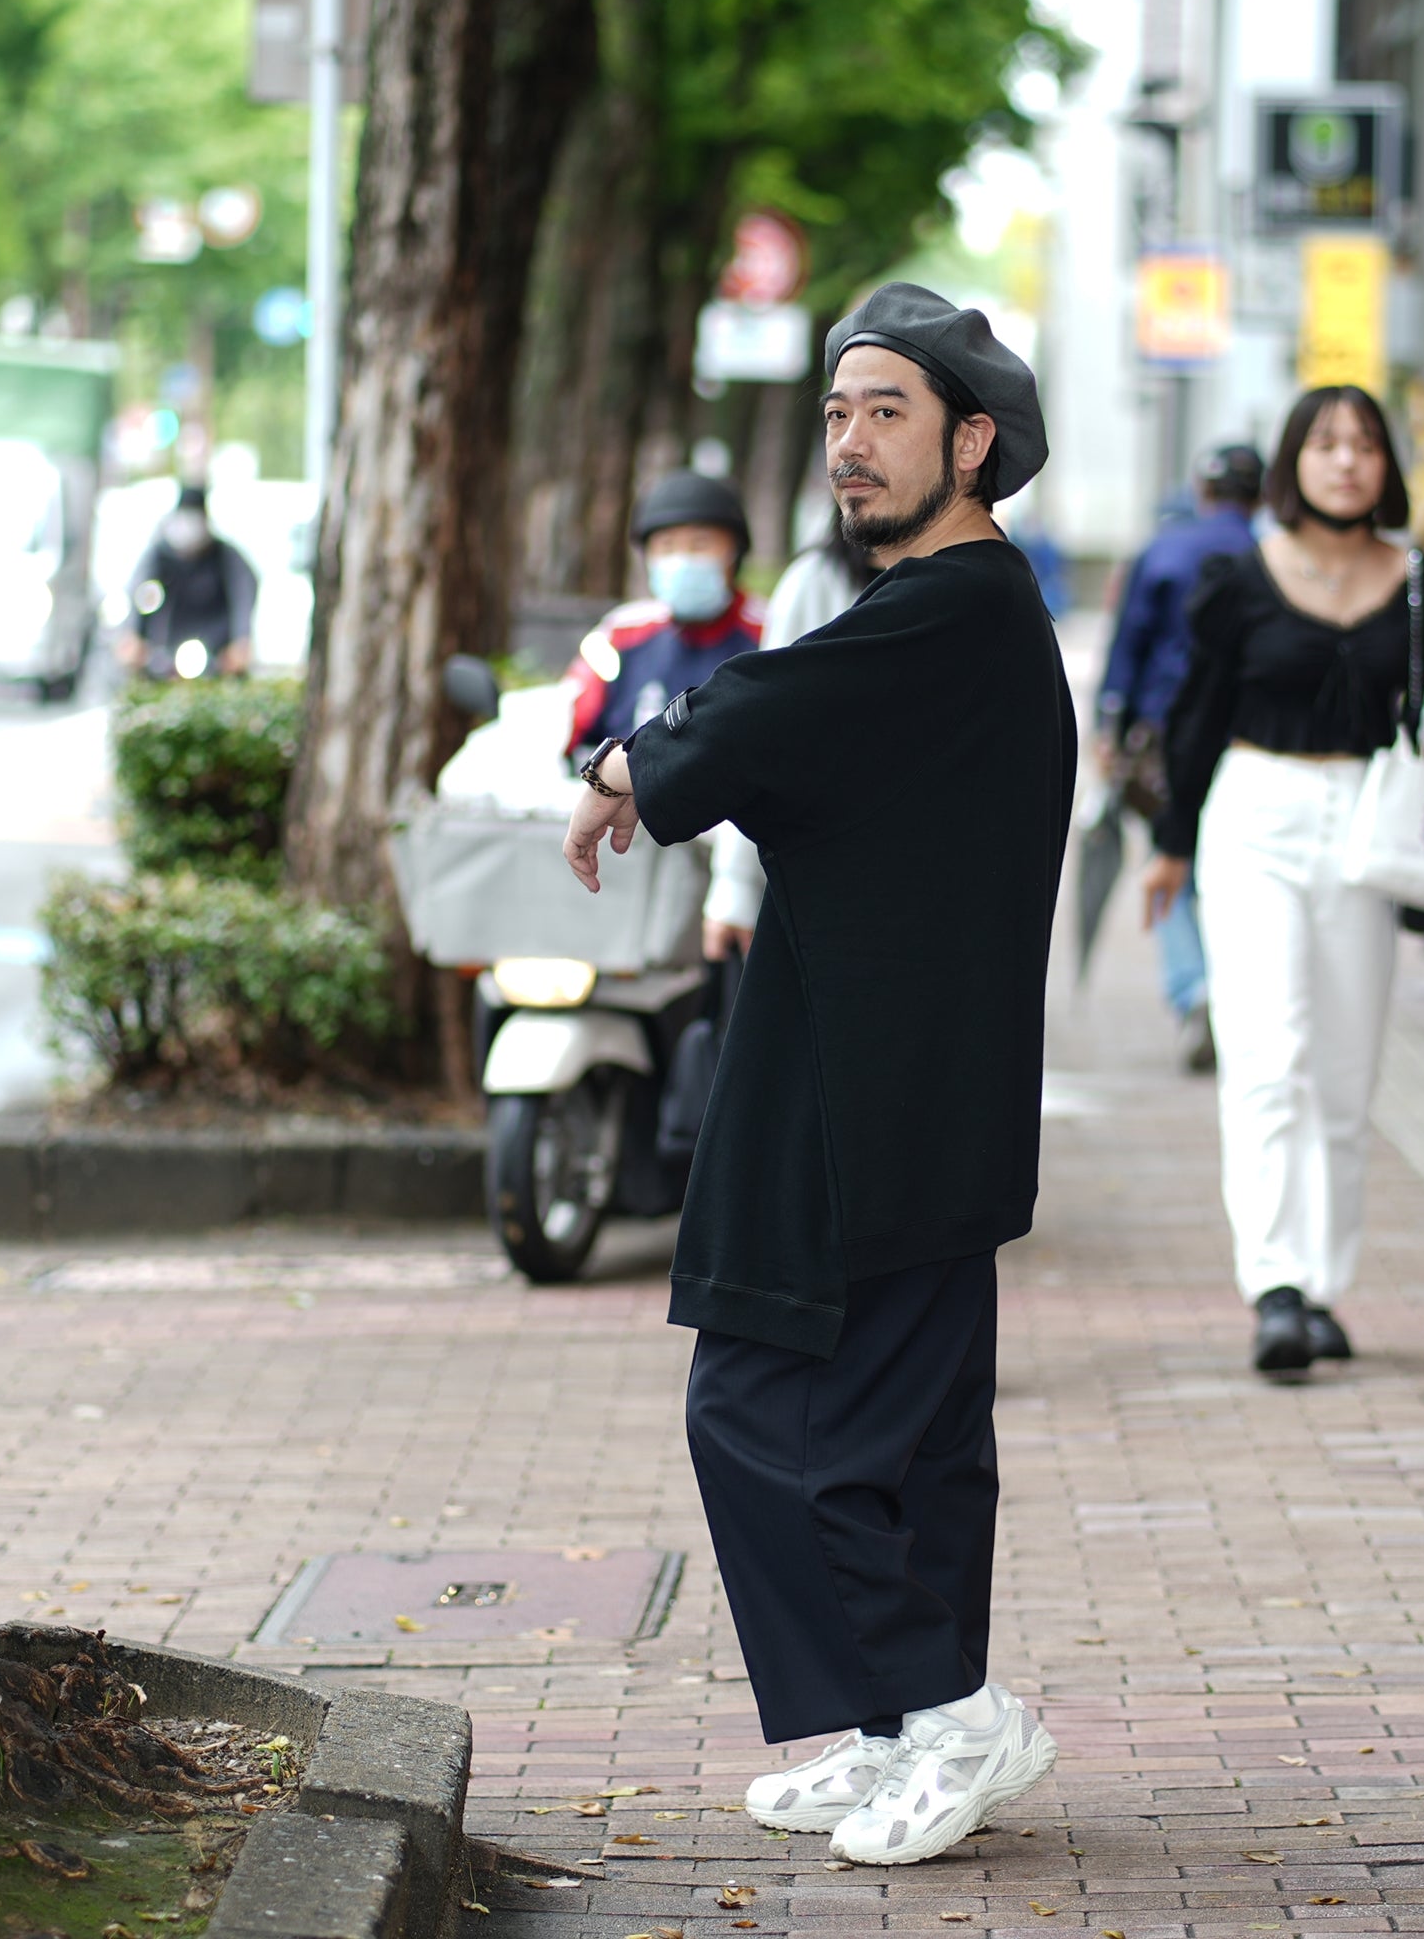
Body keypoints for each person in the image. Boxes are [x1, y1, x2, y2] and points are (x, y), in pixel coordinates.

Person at [560, 284, 1074, 1866]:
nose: (850, 445)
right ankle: (903, 1724)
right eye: (840, 416)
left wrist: (633, 764)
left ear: (972, 441)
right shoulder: (932, 611)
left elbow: (779, 710)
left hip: (884, 1099)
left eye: (888, 415)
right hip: (884, 1081)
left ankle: (956, 1717)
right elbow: (799, 716)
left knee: (787, 1421)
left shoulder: (958, 607)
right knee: (895, 1436)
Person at [1142, 386, 1424, 1377]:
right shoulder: (1236, 577)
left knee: (1343, 1062)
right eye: (1325, 444)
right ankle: (1274, 1284)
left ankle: (1323, 1283)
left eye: (1363, 445)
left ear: (1387, 465)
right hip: (1255, 813)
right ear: (1293, 461)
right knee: (1267, 1049)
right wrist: (1170, 840)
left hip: (1365, 823)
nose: (1344, 461)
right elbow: (1195, 711)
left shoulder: (1423, 580)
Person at [1095, 444, 1264, 1071]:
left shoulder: (1162, 550)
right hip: (1248, 738)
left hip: (1164, 734)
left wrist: (1111, 725)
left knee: (1171, 862)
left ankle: (1193, 990)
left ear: (1202, 489)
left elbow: (1128, 641)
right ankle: (1231, 993)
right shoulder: (1274, 555)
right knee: (1238, 868)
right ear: (1262, 494)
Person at [701, 512, 876, 960]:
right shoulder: (816, 584)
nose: (853, 447)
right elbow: (764, 738)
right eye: (835, 434)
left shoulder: (977, 588)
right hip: (823, 891)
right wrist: (736, 887)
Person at [562, 470, 766, 764]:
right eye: (667, 546)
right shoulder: (619, 634)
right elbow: (565, 726)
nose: (682, 560)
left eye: (700, 544)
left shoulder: (773, 633)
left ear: (734, 552)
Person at [120, 485, 258, 680]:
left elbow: (243, 593)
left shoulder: (224, 557)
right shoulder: (159, 557)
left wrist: (241, 641)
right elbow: (140, 591)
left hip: (214, 655)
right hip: (162, 653)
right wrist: (132, 633)